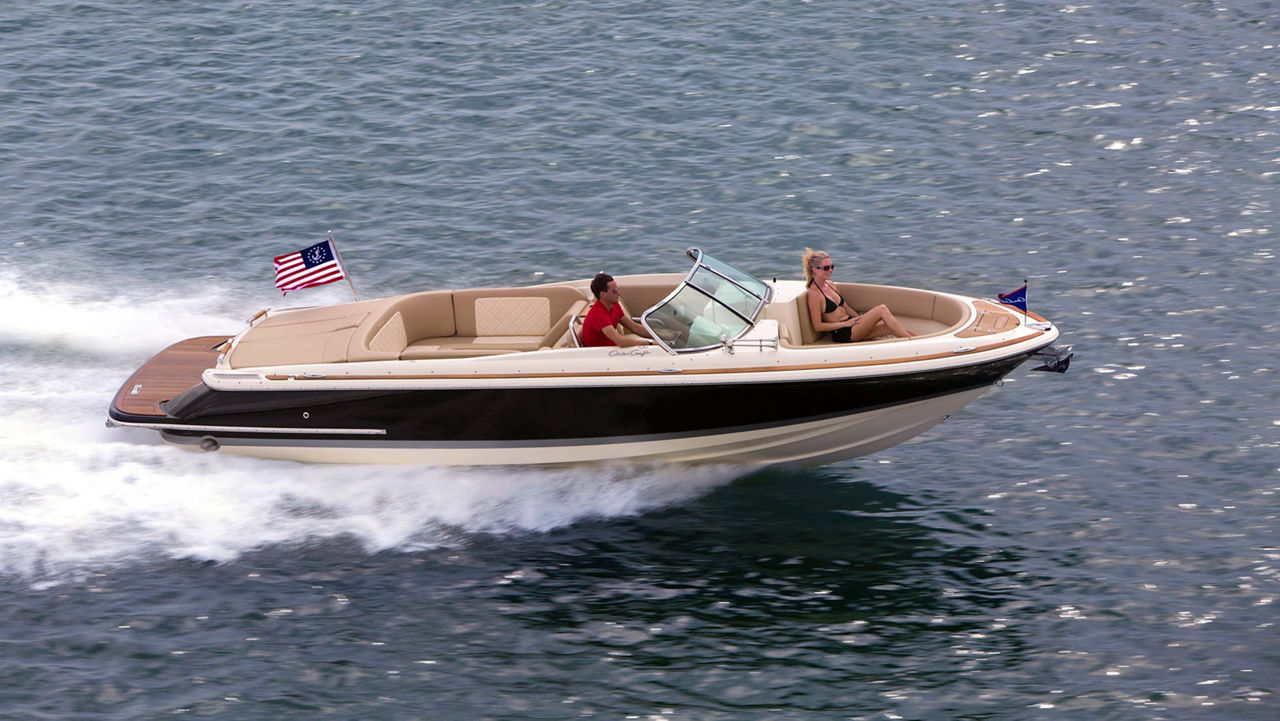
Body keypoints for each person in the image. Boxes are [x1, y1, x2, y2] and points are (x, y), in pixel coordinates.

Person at [804, 249, 917, 342]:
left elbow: (847, 308)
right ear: (814, 269)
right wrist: (843, 324)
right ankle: (913, 344)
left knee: (887, 326)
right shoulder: (814, 295)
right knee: (881, 309)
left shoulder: (830, 284)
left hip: (852, 325)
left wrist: (859, 318)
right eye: (826, 268)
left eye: (832, 266)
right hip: (843, 333)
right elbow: (817, 326)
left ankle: (921, 340)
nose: (831, 270)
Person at [582, 272, 657, 347]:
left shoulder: (614, 305)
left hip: (611, 348)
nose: (619, 293)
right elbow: (620, 342)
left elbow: (634, 327)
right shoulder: (598, 315)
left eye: (618, 289)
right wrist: (650, 343)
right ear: (603, 294)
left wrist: (660, 336)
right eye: (614, 291)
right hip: (600, 354)